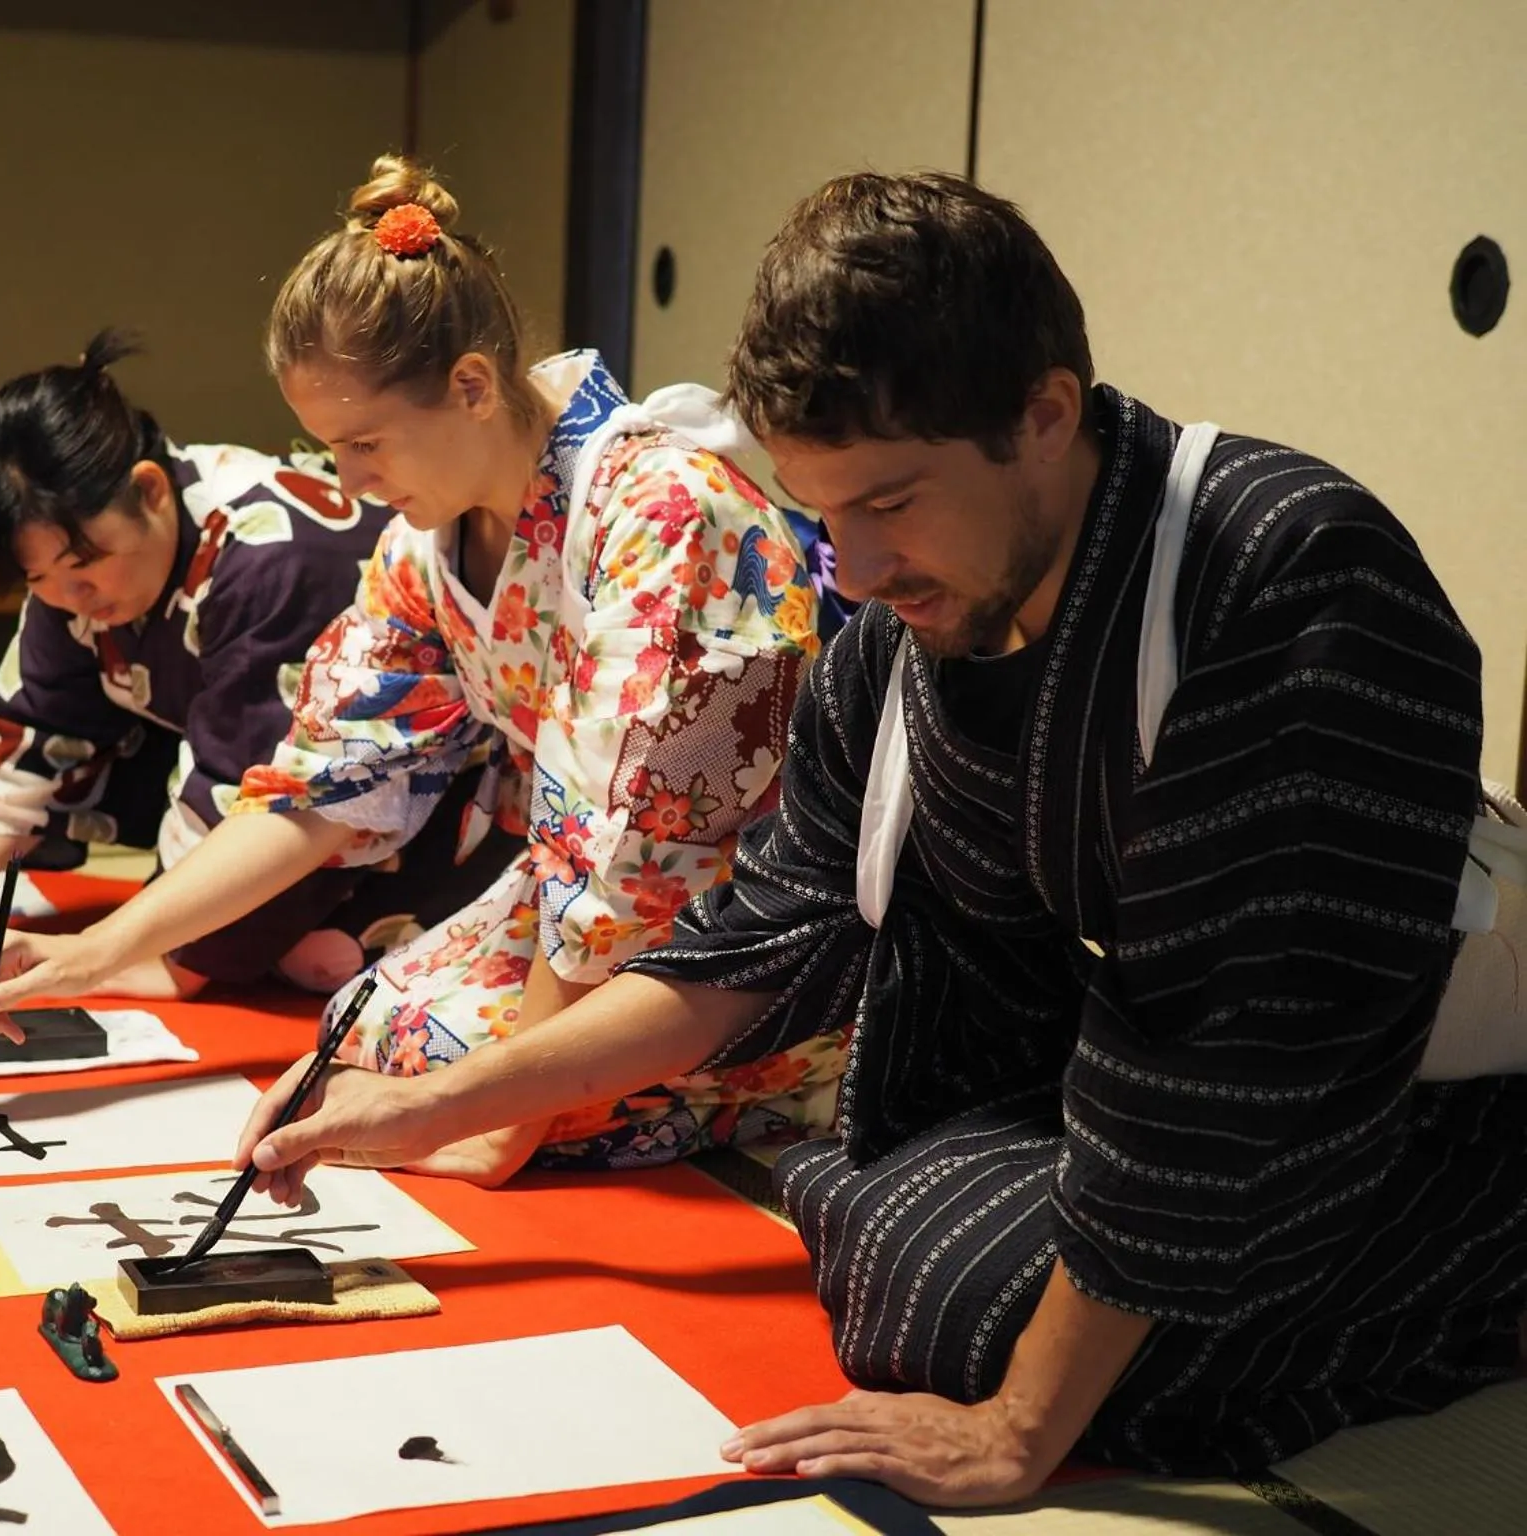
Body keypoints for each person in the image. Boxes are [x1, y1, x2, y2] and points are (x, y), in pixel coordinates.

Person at [231, 171, 1527, 1503]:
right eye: (825, 511)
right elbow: (756, 948)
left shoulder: (1284, 578)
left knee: (964, 1306)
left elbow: (1222, 1057)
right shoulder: (912, 639)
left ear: (1045, 414)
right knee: (870, 1207)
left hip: (1365, 1089)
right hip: (1109, 1070)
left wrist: (1019, 1432)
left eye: (889, 505)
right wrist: (422, 1109)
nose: (848, 571)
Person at [0, 156, 839, 1184]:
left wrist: (502, 1114)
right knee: (358, 1031)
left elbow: (633, 855)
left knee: (430, 1062)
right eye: (333, 448)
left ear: (470, 386)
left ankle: (788, 1078)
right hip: (580, 889)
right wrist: (100, 949)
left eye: (365, 442)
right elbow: (320, 788)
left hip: (739, 920)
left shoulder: (663, 512)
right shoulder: (425, 547)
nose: (352, 480)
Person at [0, 330, 491, 998]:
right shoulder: (78, 564)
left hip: (420, 787)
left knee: (328, 964)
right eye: (40, 578)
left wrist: (151, 956)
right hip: (257, 770)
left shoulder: (271, 557)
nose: (74, 598)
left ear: (151, 489)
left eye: (83, 566)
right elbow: (35, 717)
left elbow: (269, 788)